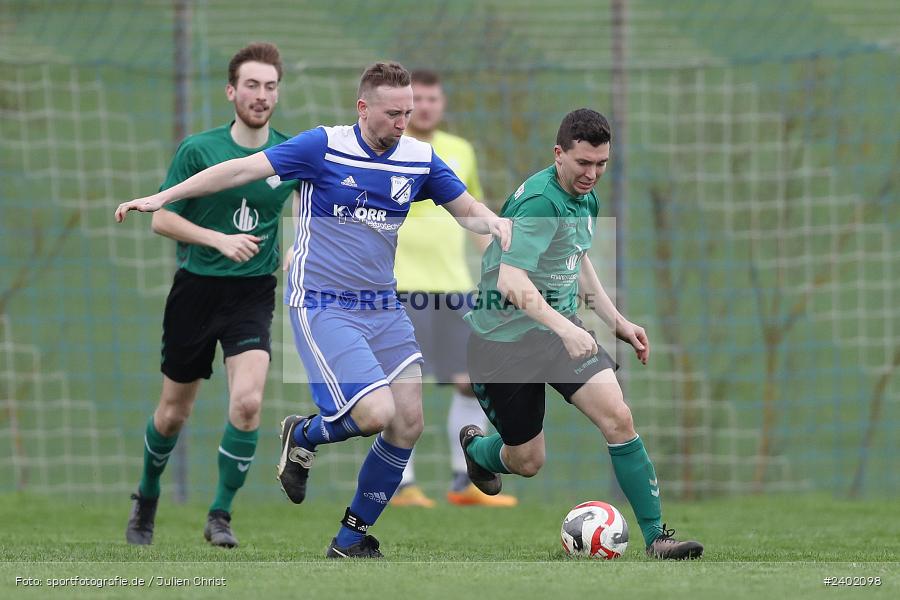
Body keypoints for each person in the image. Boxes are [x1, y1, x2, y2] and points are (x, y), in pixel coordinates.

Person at [115, 62, 511, 559]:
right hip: (323, 302)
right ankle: (301, 433)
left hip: (383, 305)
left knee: (408, 421)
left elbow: (466, 210)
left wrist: (498, 225)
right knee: (375, 413)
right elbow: (241, 168)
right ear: (363, 108)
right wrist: (165, 196)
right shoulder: (322, 146)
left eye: (408, 112)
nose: (403, 122)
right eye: (393, 113)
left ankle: (348, 542)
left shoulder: (418, 158)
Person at [460, 108, 704, 559]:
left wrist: (617, 321)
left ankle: (657, 538)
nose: (592, 174)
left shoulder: (583, 197)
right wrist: (567, 330)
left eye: (601, 164)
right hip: (502, 346)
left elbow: (578, 258)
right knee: (527, 462)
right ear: (559, 154)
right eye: (583, 163)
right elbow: (511, 283)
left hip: (556, 334)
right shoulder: (540, 202)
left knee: (619, 417)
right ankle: (479, 451)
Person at [123, 43, 298, 548]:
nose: (261, 96)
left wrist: (297, 251)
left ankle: (220, 514)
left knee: (247, 403)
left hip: (252, 295)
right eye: (251, 85)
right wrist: (219, 239)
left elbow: (316, 207)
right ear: (231, 91)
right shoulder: (200, 150)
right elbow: (162, 218)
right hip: (196, 291)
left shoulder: (287, 152)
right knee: (174, 412)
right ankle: (148, 495)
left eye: (269, 86)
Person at [391, 69, 517, 508]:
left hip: (455, 288)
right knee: (405, 383)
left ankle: (465, 481)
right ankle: (401, 485)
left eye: (431, 98)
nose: (424, 106)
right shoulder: (389, 148)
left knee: (470, 382)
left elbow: (473, 214)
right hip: (402, 286)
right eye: (417, 98)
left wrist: (498, 267)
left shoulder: (460, 151)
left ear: (442, 104)